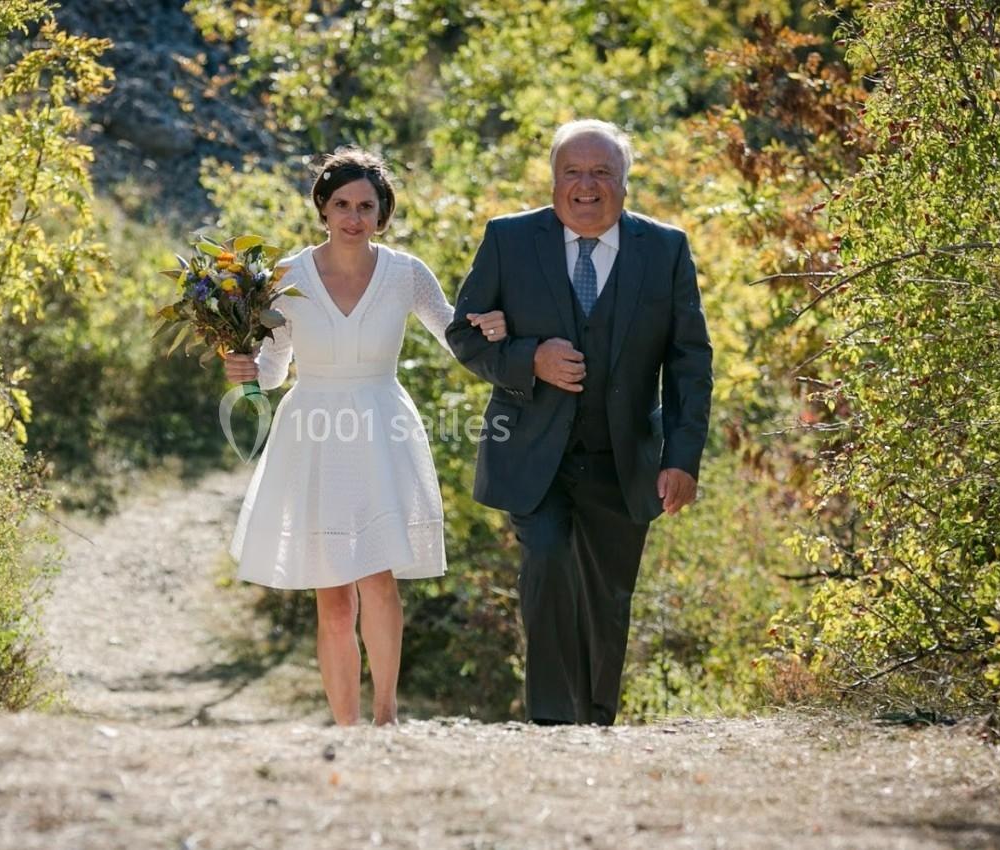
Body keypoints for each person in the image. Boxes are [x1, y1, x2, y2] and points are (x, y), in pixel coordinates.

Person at [224, 148, 505, 726]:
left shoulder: (406, 274)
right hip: (313, 433)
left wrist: (496, 327)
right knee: (332, 593)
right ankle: (347, 729)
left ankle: (386, 716)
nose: (353, 217)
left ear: (383, 213)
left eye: (366, 207)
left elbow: (456, 338)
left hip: (382, 428)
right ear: (323, 209)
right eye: (342, 205)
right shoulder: (285, 277)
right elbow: (275, 372)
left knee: (377, 577)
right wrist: (247, 369)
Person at [446, 119, 713, 726]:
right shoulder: (510, 240)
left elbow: (690, 360)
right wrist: (528, 359)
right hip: (532, 454)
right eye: (573, 171)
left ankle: (595, 721)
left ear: (624, 181)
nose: (586, 185)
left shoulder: (665, 248)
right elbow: (462, 333)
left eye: (601, 172)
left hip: (625, 459)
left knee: (608, 595)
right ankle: (550, 719)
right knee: (546, 563)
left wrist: (682, 457)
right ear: (552, 179)